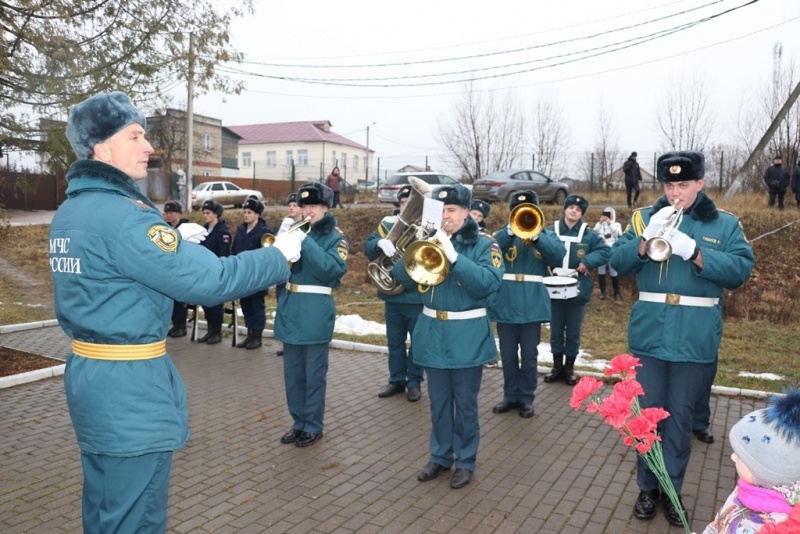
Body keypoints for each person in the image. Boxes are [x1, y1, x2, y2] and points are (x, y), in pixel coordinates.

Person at [50, 91, 302, 533]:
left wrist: (174, 248)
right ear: (102, 148)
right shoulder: (125, 217)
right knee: (137, 518)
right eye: (135, 135)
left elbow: (118, 275)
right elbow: (212, 282)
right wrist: (278, 256)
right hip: (130, 394)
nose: (149, 146)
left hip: (92, 380)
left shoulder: (71, 211)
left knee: (105, 507)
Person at [609, 150, 755, 527]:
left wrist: (697, 253)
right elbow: (619, 262)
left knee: (679, 419)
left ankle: (671, 490)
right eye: (669, 184)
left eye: (684, 185)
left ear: (701, 183)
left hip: (694, 336)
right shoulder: (643, 216)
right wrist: (644, 238)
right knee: (646, 418)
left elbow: (740, 270)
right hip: (650, 334)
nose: (676, 192)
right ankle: (647, 488)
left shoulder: (724, 224)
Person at [390, 183, 504, 489]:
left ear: (467, 212)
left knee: (465, 404)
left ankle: (465, 460)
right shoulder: (428, 239)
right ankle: (439, 456)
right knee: (438, 402)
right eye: (440, 211)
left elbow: (486, 285)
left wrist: (454, 258)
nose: (445, 217)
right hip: (432, 332)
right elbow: (399, 278)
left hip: (465, 334)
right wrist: (413, 248)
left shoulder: (484, 245)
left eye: (451, 210)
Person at [275, 182, 348, 448]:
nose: (308, 211)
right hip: (292, 307)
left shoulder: (335, 238)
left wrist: (305, 241)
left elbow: (332, 269)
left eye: (313, 206)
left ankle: (313, 425)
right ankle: (298, 422)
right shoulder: (295, 230)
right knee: (293, 375)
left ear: (326, 208)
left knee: (313, 375)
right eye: (305, 206)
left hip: (315, 311)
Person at [490, 191, 565, 418]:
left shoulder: (546, 234)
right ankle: (510, 396)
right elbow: (490, 251)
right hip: (506, 301)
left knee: (530, 354)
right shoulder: (503, 234)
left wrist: (537, 237)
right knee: (508, 353)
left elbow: (558, 256)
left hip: (532, 303)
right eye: (517, 210)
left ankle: (526, 398)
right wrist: (508, 233)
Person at [701, 389, 800, 533]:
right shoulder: (748, 488)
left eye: (741, 457)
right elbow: (720, 521)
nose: (733, 457)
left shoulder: (772, 527)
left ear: (765, 472)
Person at [364, 184, 424, 402]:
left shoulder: (427, 226)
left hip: (416, 296)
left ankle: (414, 381)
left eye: (411, 202)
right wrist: (380, 243)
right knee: (395, 341)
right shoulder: (388, 223)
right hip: (392, 295)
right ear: (398, 204)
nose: (407, 206)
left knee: (417, 343)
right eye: (403, 202)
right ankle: (396, 379)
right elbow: (368, 245)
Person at [544, 194, 609, 386]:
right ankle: (556, 367)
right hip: (553, 290)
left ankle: (569, 368)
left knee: (573, 332)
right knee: (555, 330)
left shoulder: (588, 235)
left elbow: (605, 251)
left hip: (578, 290)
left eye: (578, 210)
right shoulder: (550, 231)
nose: (574, 211)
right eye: (571, 207)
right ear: (565, 209)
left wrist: (587, 262)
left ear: (582, 214)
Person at [231, 197, 271, 350]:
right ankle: (249, 334)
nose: (246, 215)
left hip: (257, 276)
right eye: (245, 212)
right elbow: (234, 250)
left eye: (249, 212)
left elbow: (267, 255)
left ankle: (257, 336)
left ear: (257, 215)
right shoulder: (241, 230)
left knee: (257, 307)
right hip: (243, 275)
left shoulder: (264, 232)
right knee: (246, 306)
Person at [197, 199, 232, 344]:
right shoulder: (203, 231)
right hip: (203, 272)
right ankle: (210, 330)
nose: (205, 216)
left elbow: (223, 255)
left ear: (216, 214)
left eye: (208, 213)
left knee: (216, 304)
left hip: (216, 272)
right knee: (206, 302)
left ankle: (216, 332)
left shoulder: (222, 233)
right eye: (204, 213)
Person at [274, 192, 304, 356]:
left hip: (297, 273)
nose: (291, 208)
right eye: (290, 205)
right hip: (283, 275)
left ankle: (297, 344)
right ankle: (287, 343)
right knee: (284, 308)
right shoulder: (286, 224)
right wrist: (282, 231)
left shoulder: (305, 225)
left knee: (297, 311)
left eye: (295, 205)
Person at [163, 201, 191, 338]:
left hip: (182, 269)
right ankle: (175, 324)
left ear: (179, 213)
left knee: (180, 301)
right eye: (167, 213)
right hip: (169, 269)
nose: (169, 215)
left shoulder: (186, 228)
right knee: (171, 301)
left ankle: (182, 326)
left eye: (172, 212)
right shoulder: (165, 228)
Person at [592, 207, 624, 301]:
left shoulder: (617, 224)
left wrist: (610, 224)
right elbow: (594, 233)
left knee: (613, 272)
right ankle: (602, 293)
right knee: (601, 271)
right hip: (601, 251)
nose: (605, 218)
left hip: (612, 251)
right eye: (604, 215)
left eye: (607, 216)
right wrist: (599, 223)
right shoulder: (600, 225)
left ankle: (617, 293)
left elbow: (618, 235)